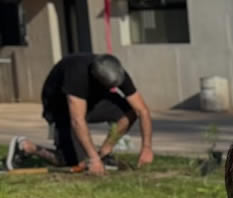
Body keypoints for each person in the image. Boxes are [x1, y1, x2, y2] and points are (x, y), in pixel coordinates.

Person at [6, 53, 153, 174]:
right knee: (72, 161)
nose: (112, 88)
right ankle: (27, 146)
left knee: (128, 112)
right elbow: (77, 121)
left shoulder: (116, 72)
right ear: (96, 78)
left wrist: (146, 147)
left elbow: (143, 111)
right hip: (60, 106)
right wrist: (93, 159)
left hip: (92, 101)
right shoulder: (77, 75)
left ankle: (104, 154)